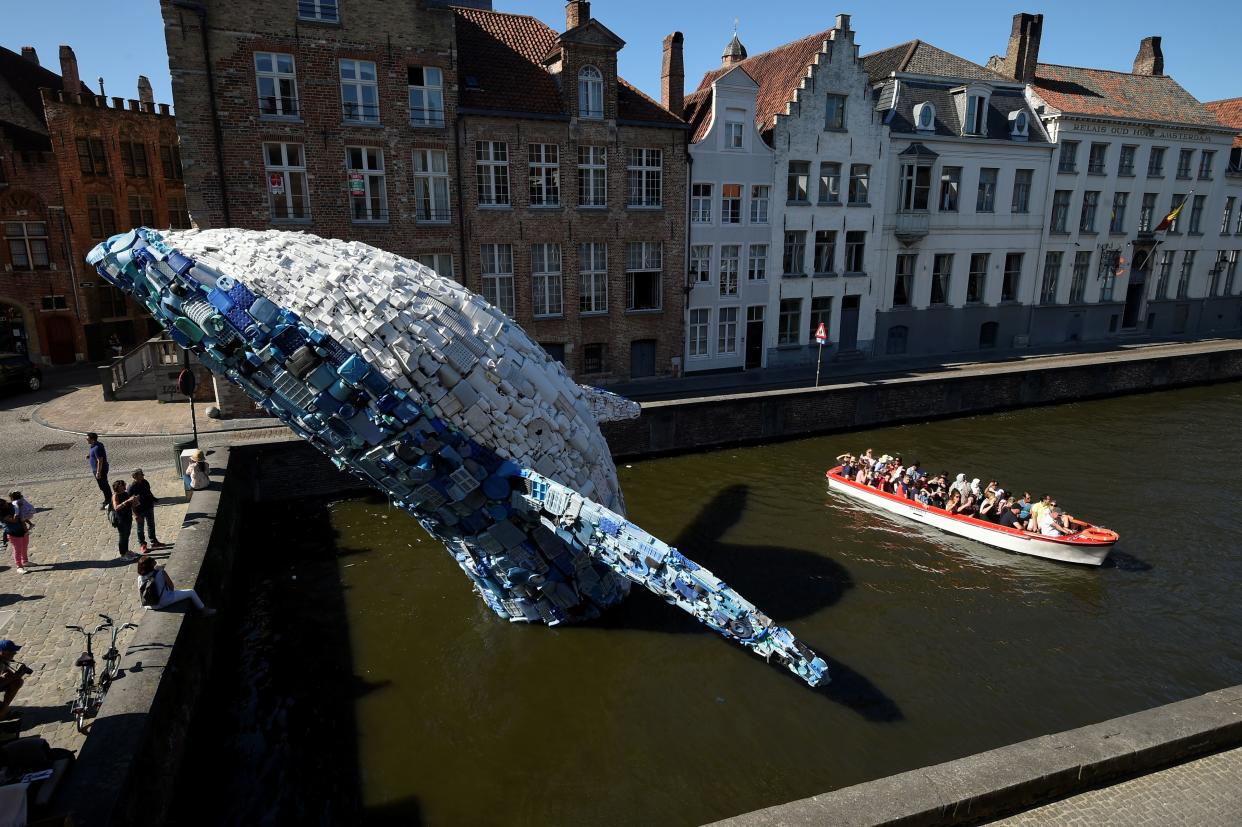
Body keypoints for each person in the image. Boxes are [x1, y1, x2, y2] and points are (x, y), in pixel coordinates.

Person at [136, 555, 214, 615]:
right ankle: (204, 610)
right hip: (164, 601)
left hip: (150, 605)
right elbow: (171, 587)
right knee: (191, 592)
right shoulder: (160, 572)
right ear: (151, 565)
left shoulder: (139, 578)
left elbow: (141, 591)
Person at [127, 469, 164, 553]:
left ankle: (153, 541)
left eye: (142, 474)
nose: (143, 476)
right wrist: (135, 515)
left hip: (148, 507)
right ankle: (142, 545)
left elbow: (148, 491)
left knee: (151, 525)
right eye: (141, 475)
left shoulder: (145, 482)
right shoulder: (131, 488)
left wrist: (153, 498)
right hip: (139, 510)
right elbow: (130, 502)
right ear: (134, 476)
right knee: (140, 528)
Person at [111, 480, 140, 560]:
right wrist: (127, 501)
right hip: (121, 519)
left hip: (128, 517)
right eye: (123, 485)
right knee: (122, 536)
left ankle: (126, 551)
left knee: (127, 535)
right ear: (118, 487)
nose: (125, 486)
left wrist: (135, 500)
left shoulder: (125, 493)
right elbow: (116, 508)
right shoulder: (115, 496)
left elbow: (131, 505)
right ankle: (122, 554)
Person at [1, 501, 30, 573]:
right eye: (4, 504)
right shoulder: (2, 514)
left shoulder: (11, 505)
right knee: (17, 550)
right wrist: (17, 511)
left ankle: (25, 561)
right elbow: (14, 520)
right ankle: (19, 566)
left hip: (22, 530)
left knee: (24, 546)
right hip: (13, 533)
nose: (6, 504)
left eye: (5, 502)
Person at [0, 640, 26, 719]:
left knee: (17, 682)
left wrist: (15, 674)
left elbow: (5, 670)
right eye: (11, 651)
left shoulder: (4, 659)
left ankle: (3, 710)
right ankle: (3, 712)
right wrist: (12, 677)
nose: (15, 653)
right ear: (3, 652)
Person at [87, 433, 111, 510]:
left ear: (92, 439)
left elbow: (100, 460)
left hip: (100, 470)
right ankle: (108, 499)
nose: (86, 439)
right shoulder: (94, 445)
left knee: (104, 486)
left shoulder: (97, 447)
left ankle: (109, 501)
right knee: (103, 486)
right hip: (98, 470)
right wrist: (89, 455)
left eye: (88, 438)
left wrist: (98, 472)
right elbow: (95, 453)